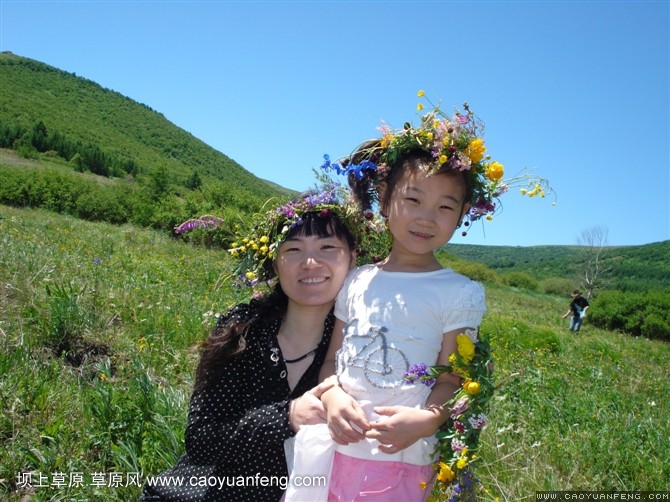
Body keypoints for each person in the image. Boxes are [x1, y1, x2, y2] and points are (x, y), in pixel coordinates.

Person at [286, 94, 553, 501]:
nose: (426, 218)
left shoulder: (459, 292)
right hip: (330, 449)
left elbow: (453, 378)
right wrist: (334, 394)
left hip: (401, 461)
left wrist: (427, 419)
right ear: (384, 198)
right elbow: (332, 362)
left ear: (463, 213)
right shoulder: (356, 279)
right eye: (413, 200)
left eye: (445, 207)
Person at [139, 186, 362, 501]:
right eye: (294, 249)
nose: (311, 262)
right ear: (275, 263)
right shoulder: (243, 329)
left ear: (352, 257)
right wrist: (287, 417)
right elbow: (201, 440)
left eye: (327, 247)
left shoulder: (360, 345)